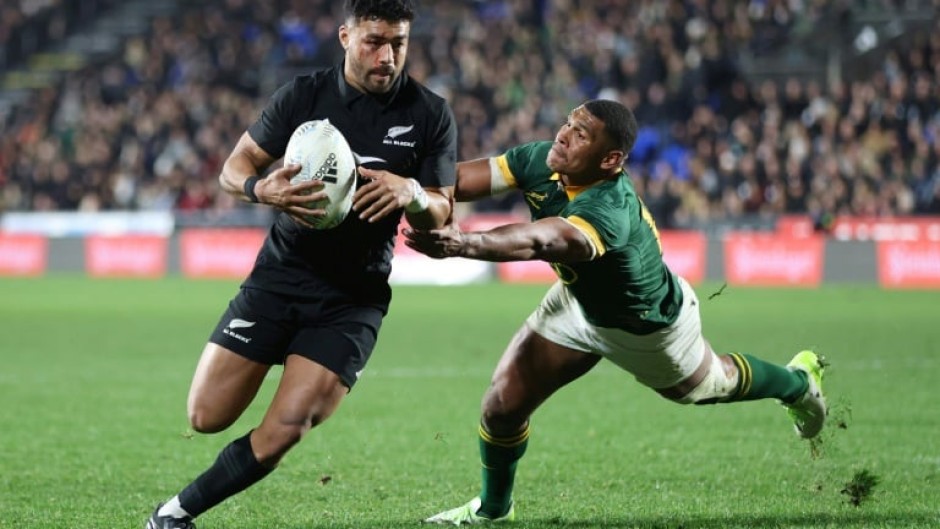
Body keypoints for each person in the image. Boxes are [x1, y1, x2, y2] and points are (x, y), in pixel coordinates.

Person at [404, 99, 826, 525]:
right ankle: (493, 511)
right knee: (501, 406)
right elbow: (454, 180)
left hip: (649, 327)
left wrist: (466, 243)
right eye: (568, 122)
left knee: (712, 384)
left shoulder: (610, 208)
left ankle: (797, 382)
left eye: (581, 134)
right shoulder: (542, 159)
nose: (564, 135)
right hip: (579, 305)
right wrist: (410, 188)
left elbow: (540, 241)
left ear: (610, 160)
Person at [145, 1, 456, 528]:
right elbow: (233, 167)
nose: (386, 56)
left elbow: (442, 210)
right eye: (373, 41)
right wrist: (258, 187)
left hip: (352, 297)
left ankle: (174, 515)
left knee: (287, 428)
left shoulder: (428, 113)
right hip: (280, 276)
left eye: (398, 44)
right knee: (205, 415)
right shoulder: (304, 96)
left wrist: (412, 194)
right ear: (344, 36)